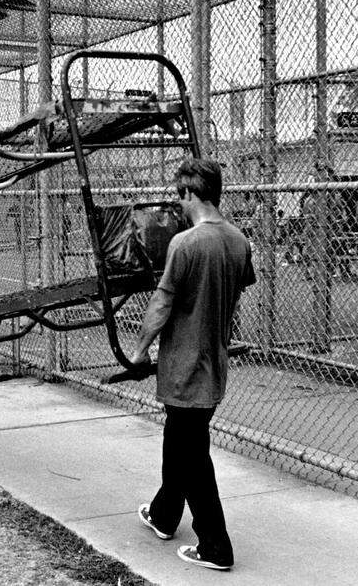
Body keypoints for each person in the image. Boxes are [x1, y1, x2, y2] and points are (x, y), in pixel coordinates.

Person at [128, 158, 255, 571]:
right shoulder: (238, 240)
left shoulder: (184, 243)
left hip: (185, 364)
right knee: (180, 439)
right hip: (214, 360)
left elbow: (162, 302)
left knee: (192, 455)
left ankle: (216, 546)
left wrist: (139, 349)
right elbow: (239, 283)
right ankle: (165, 515)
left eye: (179, 197)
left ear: (188, 194)